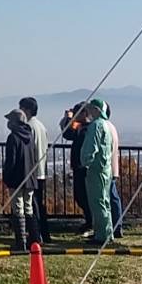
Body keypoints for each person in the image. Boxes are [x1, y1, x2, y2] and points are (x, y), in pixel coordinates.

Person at [79, 99, 118, 244]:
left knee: (97, 202)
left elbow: (91, 147)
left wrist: (85, 162)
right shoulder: (106, 125)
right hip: (105, 168)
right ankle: (106, 232)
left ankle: (102, 235)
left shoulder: (96, 125)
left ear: (96, 109)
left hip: (96, 169)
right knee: (104, 201)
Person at [3, 108, 42, 250]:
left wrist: (7, 177)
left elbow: (11, 161)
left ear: (14, 122)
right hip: (30, 178)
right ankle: (34, 239)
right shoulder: (30, 136)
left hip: (17, 179)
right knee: (29, 208)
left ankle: (21, 242)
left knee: (18, 209)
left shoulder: (13, 137)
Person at [19, 97, 52, 242]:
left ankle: (36, 234)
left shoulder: (28, 126)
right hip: (41, 170)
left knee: (33, 205)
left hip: (31, 171)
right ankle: (44, 233)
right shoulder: (41, 126)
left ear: (26, 110)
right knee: (39, 203)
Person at [60, 103, 94, 238]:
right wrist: (68, 120)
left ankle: (91, 223)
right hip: (78, 167)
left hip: (84, 168)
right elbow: (68, 134)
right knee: (80, 197)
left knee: (85, 197)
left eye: (77, 113)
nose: (75, 116)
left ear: (85, 113)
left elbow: (70, 134)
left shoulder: (88, 128)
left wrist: (69, 120)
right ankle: (88, 221)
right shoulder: (80, 127)